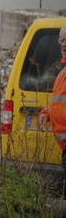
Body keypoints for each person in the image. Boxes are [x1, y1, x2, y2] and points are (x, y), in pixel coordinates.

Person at [36, 25, 66, 179]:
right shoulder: (62, 74)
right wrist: (46, 112)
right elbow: (59, 103)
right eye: (61, 40)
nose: (63, 44)